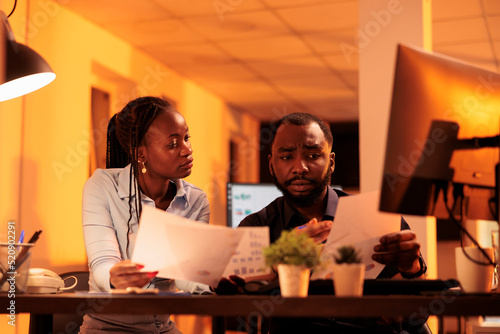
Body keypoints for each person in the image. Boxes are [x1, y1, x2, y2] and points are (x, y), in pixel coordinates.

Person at [238, 112, 428, 334]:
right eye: (287, 157)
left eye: (313, 155)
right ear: (272, 165)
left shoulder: (376, 217)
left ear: (331, 162)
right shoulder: (256, 228)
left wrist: (413, 269)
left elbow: (417, 318)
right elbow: (239, 315)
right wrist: (278, 263)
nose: (300, 168)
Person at [79, 96, 210, 334]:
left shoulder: (196, 201)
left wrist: (215, 280)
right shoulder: (102, 186)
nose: (187, 150)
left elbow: (186, 277)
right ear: (141, 154)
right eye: (173, 144)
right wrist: (114, 276)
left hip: (163, 328)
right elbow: (102, 262)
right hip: (107, 328)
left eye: (187, 138)